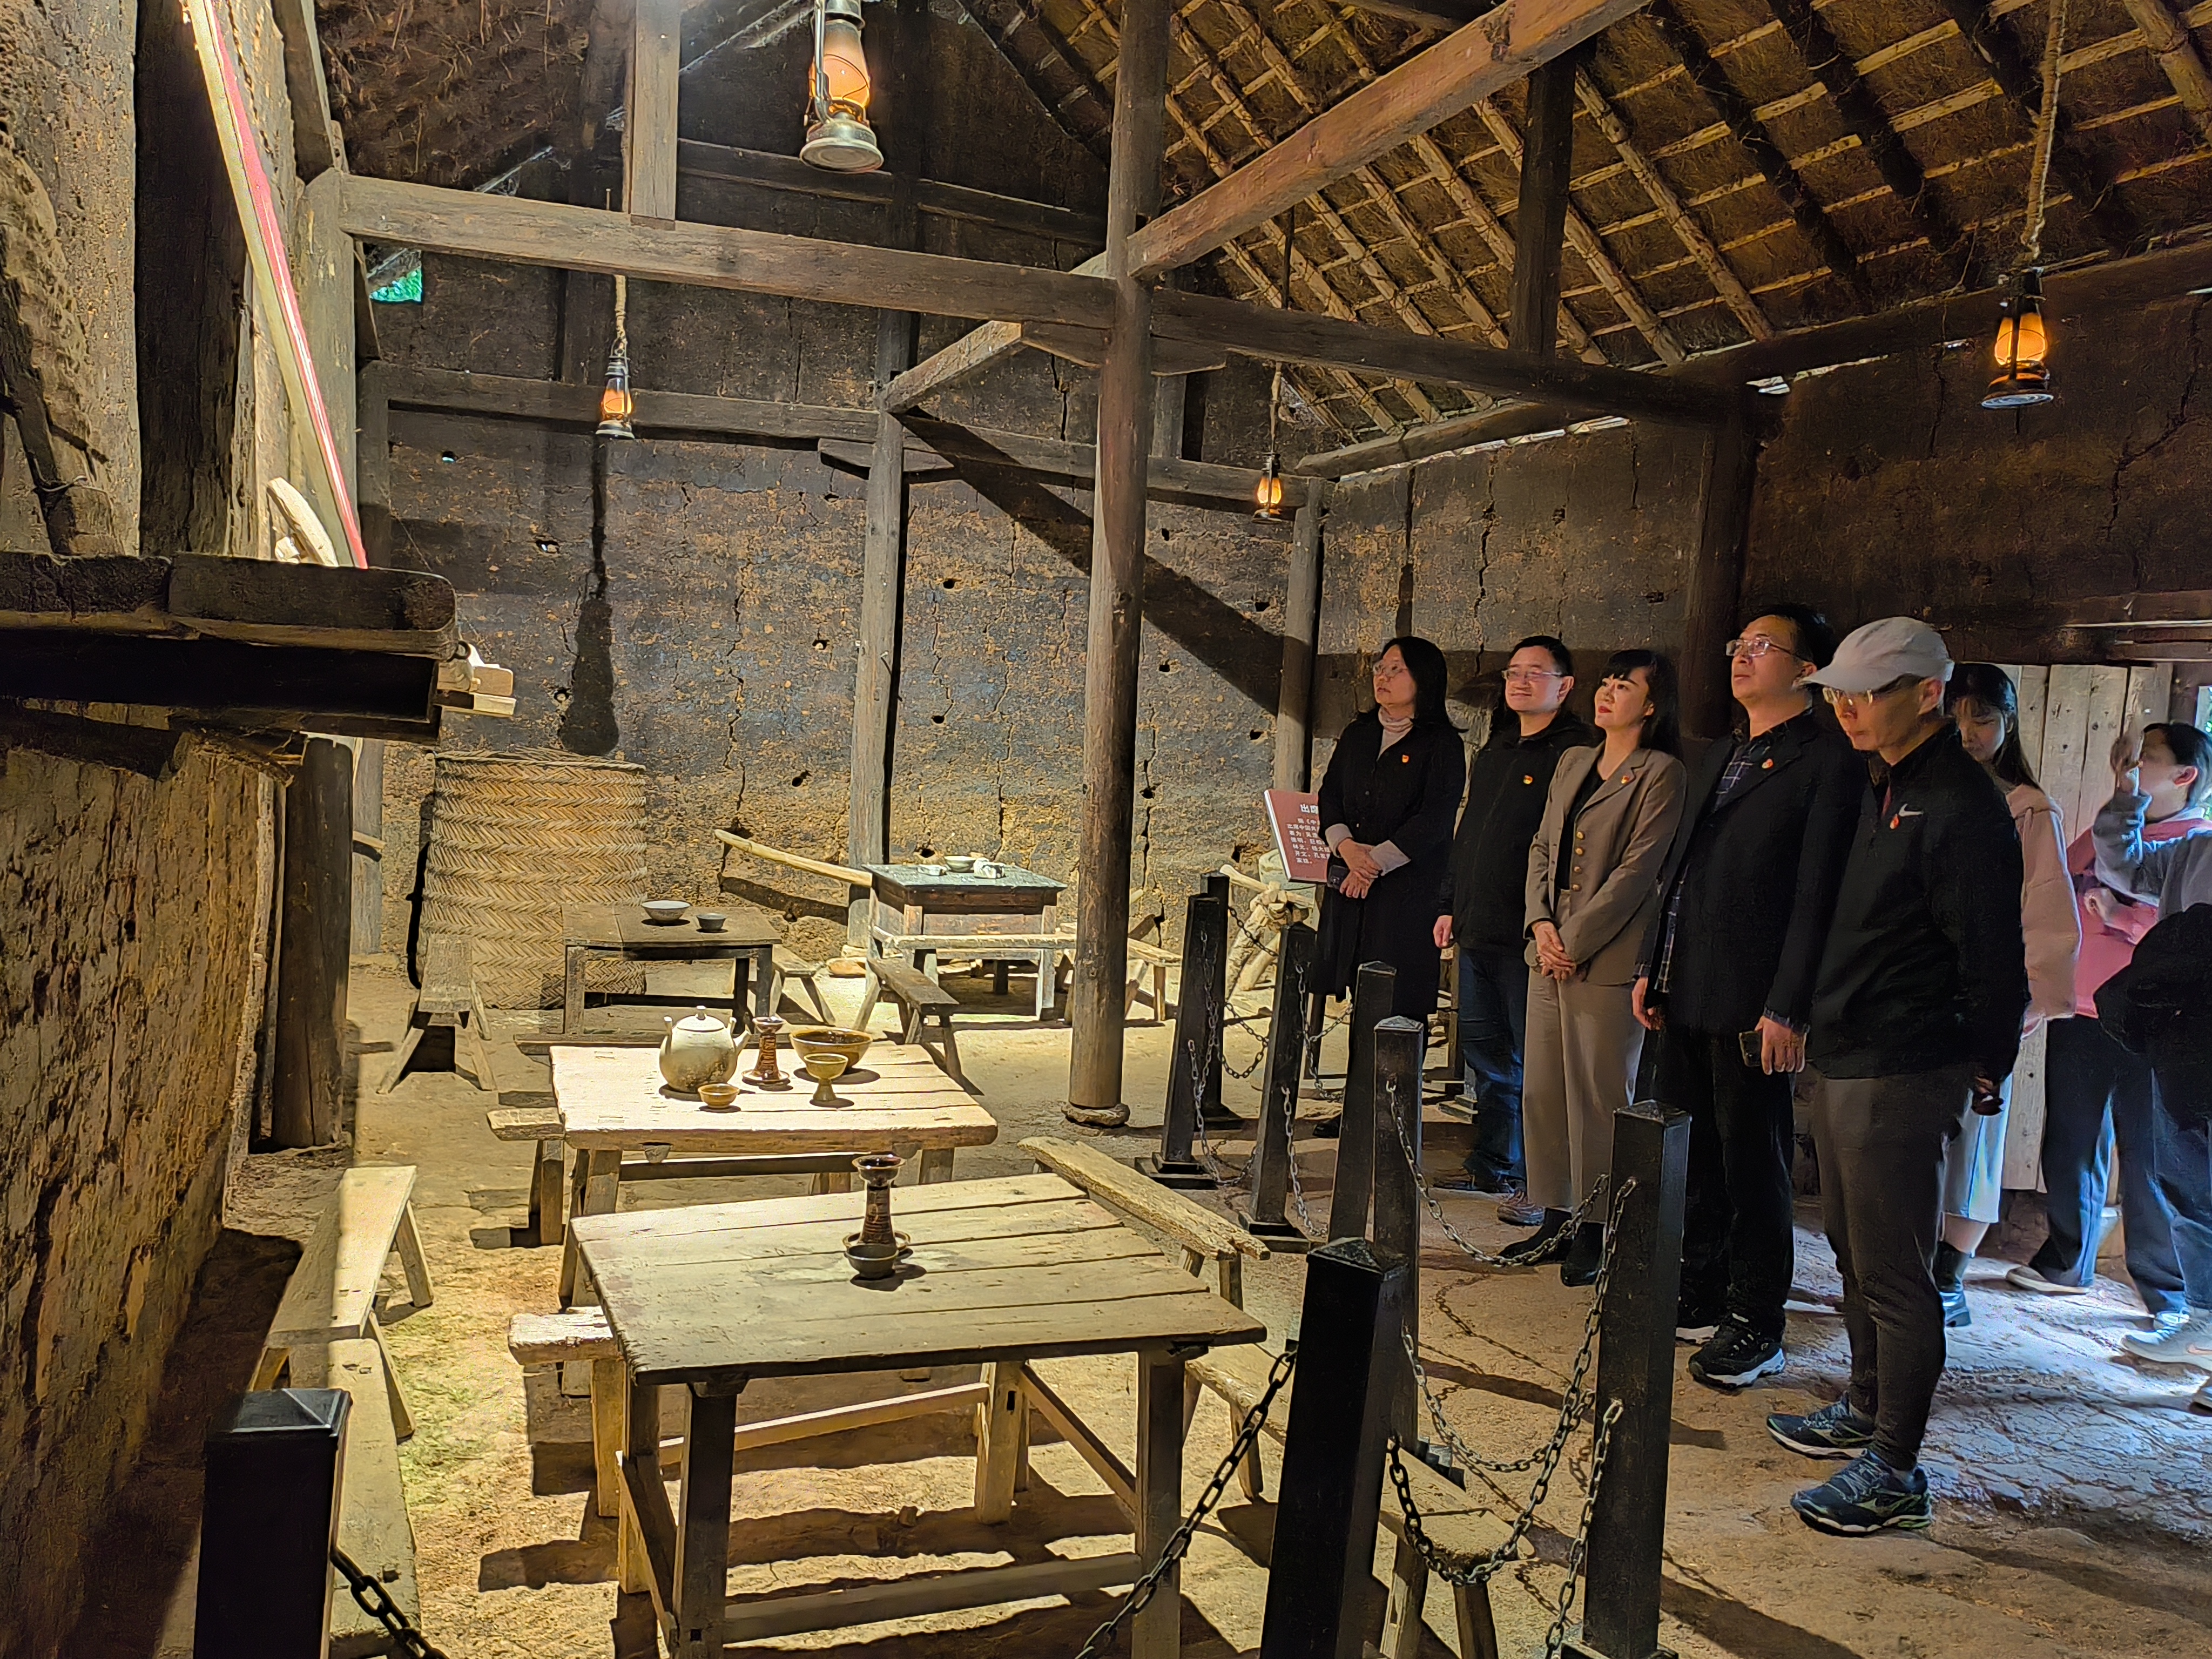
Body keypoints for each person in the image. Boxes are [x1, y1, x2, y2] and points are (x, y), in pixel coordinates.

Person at [1765, 618, 2027, 1536]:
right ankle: (1865, 1407)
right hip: (1848, 1048)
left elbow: (1992, 953)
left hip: (1906, 1059)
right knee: (1851, 1249)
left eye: (1868, 692)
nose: (1847, 708)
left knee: (1895, 1272)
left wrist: (1988, 1059)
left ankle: (1896, 1467)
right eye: (1839, 691)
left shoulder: (1960, 802)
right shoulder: (1884, 781)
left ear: (1927, 694)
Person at [1635, 606, 1864, 1391]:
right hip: (1688, 982)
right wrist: (1652, 965)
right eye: (1740, 644)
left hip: (1756, 997)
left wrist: (1788, 1006)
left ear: (1807, 670)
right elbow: (1679, 873)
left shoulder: (1825, 760)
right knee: (1694, 1153)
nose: (1742, 656)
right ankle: (1699, 1291)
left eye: (1763, 647)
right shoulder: (1725, 750)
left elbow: (1816, 895)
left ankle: (1756, 1317)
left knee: (1752, 1163)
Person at [2009, 723, 2208, 1330]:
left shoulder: (2195, 843)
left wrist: (2123, 920)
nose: (2132, 763)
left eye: (2147, 757)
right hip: (2083, 1009)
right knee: (2070, 1141)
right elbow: (2066, 896)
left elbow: (2186, 941)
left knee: (2150, 1158)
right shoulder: (2137, 841)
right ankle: (2067, 1261)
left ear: (2185, 775)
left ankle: (2167, 1292)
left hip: (2155, 1024)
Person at [1506, 651, 1685, 1285]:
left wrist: (1573, 941)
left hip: (1603, 956)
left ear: (1652, 704)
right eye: (1605, 683)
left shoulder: (1661, 773)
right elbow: (1541, 846)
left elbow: (1638, 872)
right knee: (1543, 1091)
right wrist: (1540, 924)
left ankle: (1597, 1225)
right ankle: (1554, 1215)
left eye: (1623, 686)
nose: (1607, 693)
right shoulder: (1573, 761)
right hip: (1547, 948)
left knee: (1598, 1096)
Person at [1932, 666, 2079, 1327]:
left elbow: (2046, 911)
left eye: (1983, 719)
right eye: (1955, 718)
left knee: (1974, 1137)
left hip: (1985, 997)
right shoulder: (1923, 794)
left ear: (2008, 724)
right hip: (1918, 994)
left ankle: (1949, 1275)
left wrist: (2024, 1003)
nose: (1967, 734)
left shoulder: (2026, 807)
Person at [1434, 637, 1592, 1219]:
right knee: (1486, 1054)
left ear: (1564, 686)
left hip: (1530, 933)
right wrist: (1450, 902)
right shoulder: (1497, 748)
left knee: (1538, 1064)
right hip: (1478, 925)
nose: (1520, 683)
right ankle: (1493, 1162)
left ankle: (1540, 1183)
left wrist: (1547, 920)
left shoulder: (1575, 753)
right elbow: (1471, 831)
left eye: (1535, 673)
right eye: (1513, 673)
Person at [2090, 726, 2212, 1412]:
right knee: (2188, 1186)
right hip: (2184, 1040)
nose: (2139, 767)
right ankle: (2203, 1321)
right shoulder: (2194, 850)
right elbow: (2124, 869)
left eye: (2149, 762)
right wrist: (2125, 795)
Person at [1315, 638, 1469, 1030]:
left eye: (1395, 669)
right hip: (1350, 885)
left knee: (1399, 1006)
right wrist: (1347, 849)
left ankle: (1395, 1074)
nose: (1382, 676)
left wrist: (1372, 864)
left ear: (1424, 677)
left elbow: (1434, 819)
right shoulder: (1359, 734)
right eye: (1380, 668)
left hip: (1406, 894)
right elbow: (1330, 795)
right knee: (1357, 994)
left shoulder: (1442, 744)